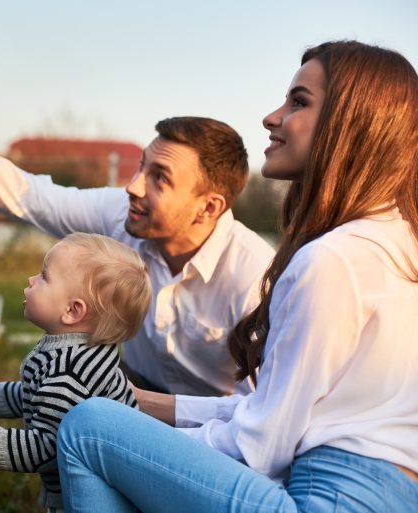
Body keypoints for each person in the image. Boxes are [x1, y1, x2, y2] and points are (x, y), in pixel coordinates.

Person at [55, 40, 418, 512]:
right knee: (111, 418)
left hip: (325, 500)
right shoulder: (398, 244)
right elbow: (273, 408)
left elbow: (261, 446)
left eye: (299, 102)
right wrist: (138, 404)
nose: (272, 117)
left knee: (88, 428)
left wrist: (138, 446)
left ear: (351, 125)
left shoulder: (332, 260)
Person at [0, 59, 275, 397]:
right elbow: (19, 190)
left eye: (159, 177)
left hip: (213, 431)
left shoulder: (255, 278)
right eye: (142, 166)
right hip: (131, 390)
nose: (133, 185)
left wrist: (141, 412)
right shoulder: (121, 216)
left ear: (208, 207)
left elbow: (259, 418)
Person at [0, 232, 152, 513]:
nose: (31, 280)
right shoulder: (77, 351)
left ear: (72, 311)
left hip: (89, 495)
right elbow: (36, 392)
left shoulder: (68, 374)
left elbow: (49, 447)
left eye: (43, 277)